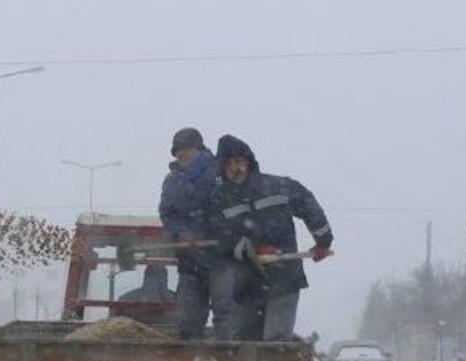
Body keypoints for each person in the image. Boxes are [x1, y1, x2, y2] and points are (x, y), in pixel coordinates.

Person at [209, 134, 334, 342]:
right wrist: (252, 250)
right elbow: (220, 237)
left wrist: (323, 242)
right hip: (246, 284)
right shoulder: (219, 200)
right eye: (229, 164)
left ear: (248, 162)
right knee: (245, 342)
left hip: (284, 277)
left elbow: (309, 206)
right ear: (222, 168)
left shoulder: (279, 186)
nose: (235, 168)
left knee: (276, 344)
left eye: (239, 162)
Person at [158, 127, 237, 340]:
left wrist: (216, 234)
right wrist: (181, 233)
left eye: (185, 149)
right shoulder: (172, 181)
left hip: (221, 258)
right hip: (189, 262)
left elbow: (233, 210)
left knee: (225, 313)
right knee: (187, 318)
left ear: (199, 149)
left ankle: (228, 360)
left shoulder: (222, 175)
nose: (180, 154)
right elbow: (167, 214)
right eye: (176, 151)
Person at [111, 263, 177, 326]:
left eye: (160, 277)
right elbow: (112, 325)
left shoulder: (125, 299)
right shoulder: (177, 300)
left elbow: (112, 325)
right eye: (152, 276)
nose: (155, 282)